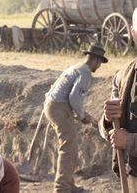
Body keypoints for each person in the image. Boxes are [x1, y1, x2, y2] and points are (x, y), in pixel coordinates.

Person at [44, 43, 108, 193]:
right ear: (96, 61)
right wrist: (83, 116)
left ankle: (68, 184)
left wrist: (83, 115)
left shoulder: (75, 67)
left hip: (53, 105)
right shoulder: (85, 73)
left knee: (69, 147)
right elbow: (74, 98)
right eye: (99, 64)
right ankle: (61, 188)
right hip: (60, 108)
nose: (98, 67)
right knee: (68, 148)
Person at [99, 7, 137, 191]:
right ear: (132, 32)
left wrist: (130, 141)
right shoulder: (123, 76)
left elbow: (125, 139)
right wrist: (107, 119)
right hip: (132, 177)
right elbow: (107, 131)